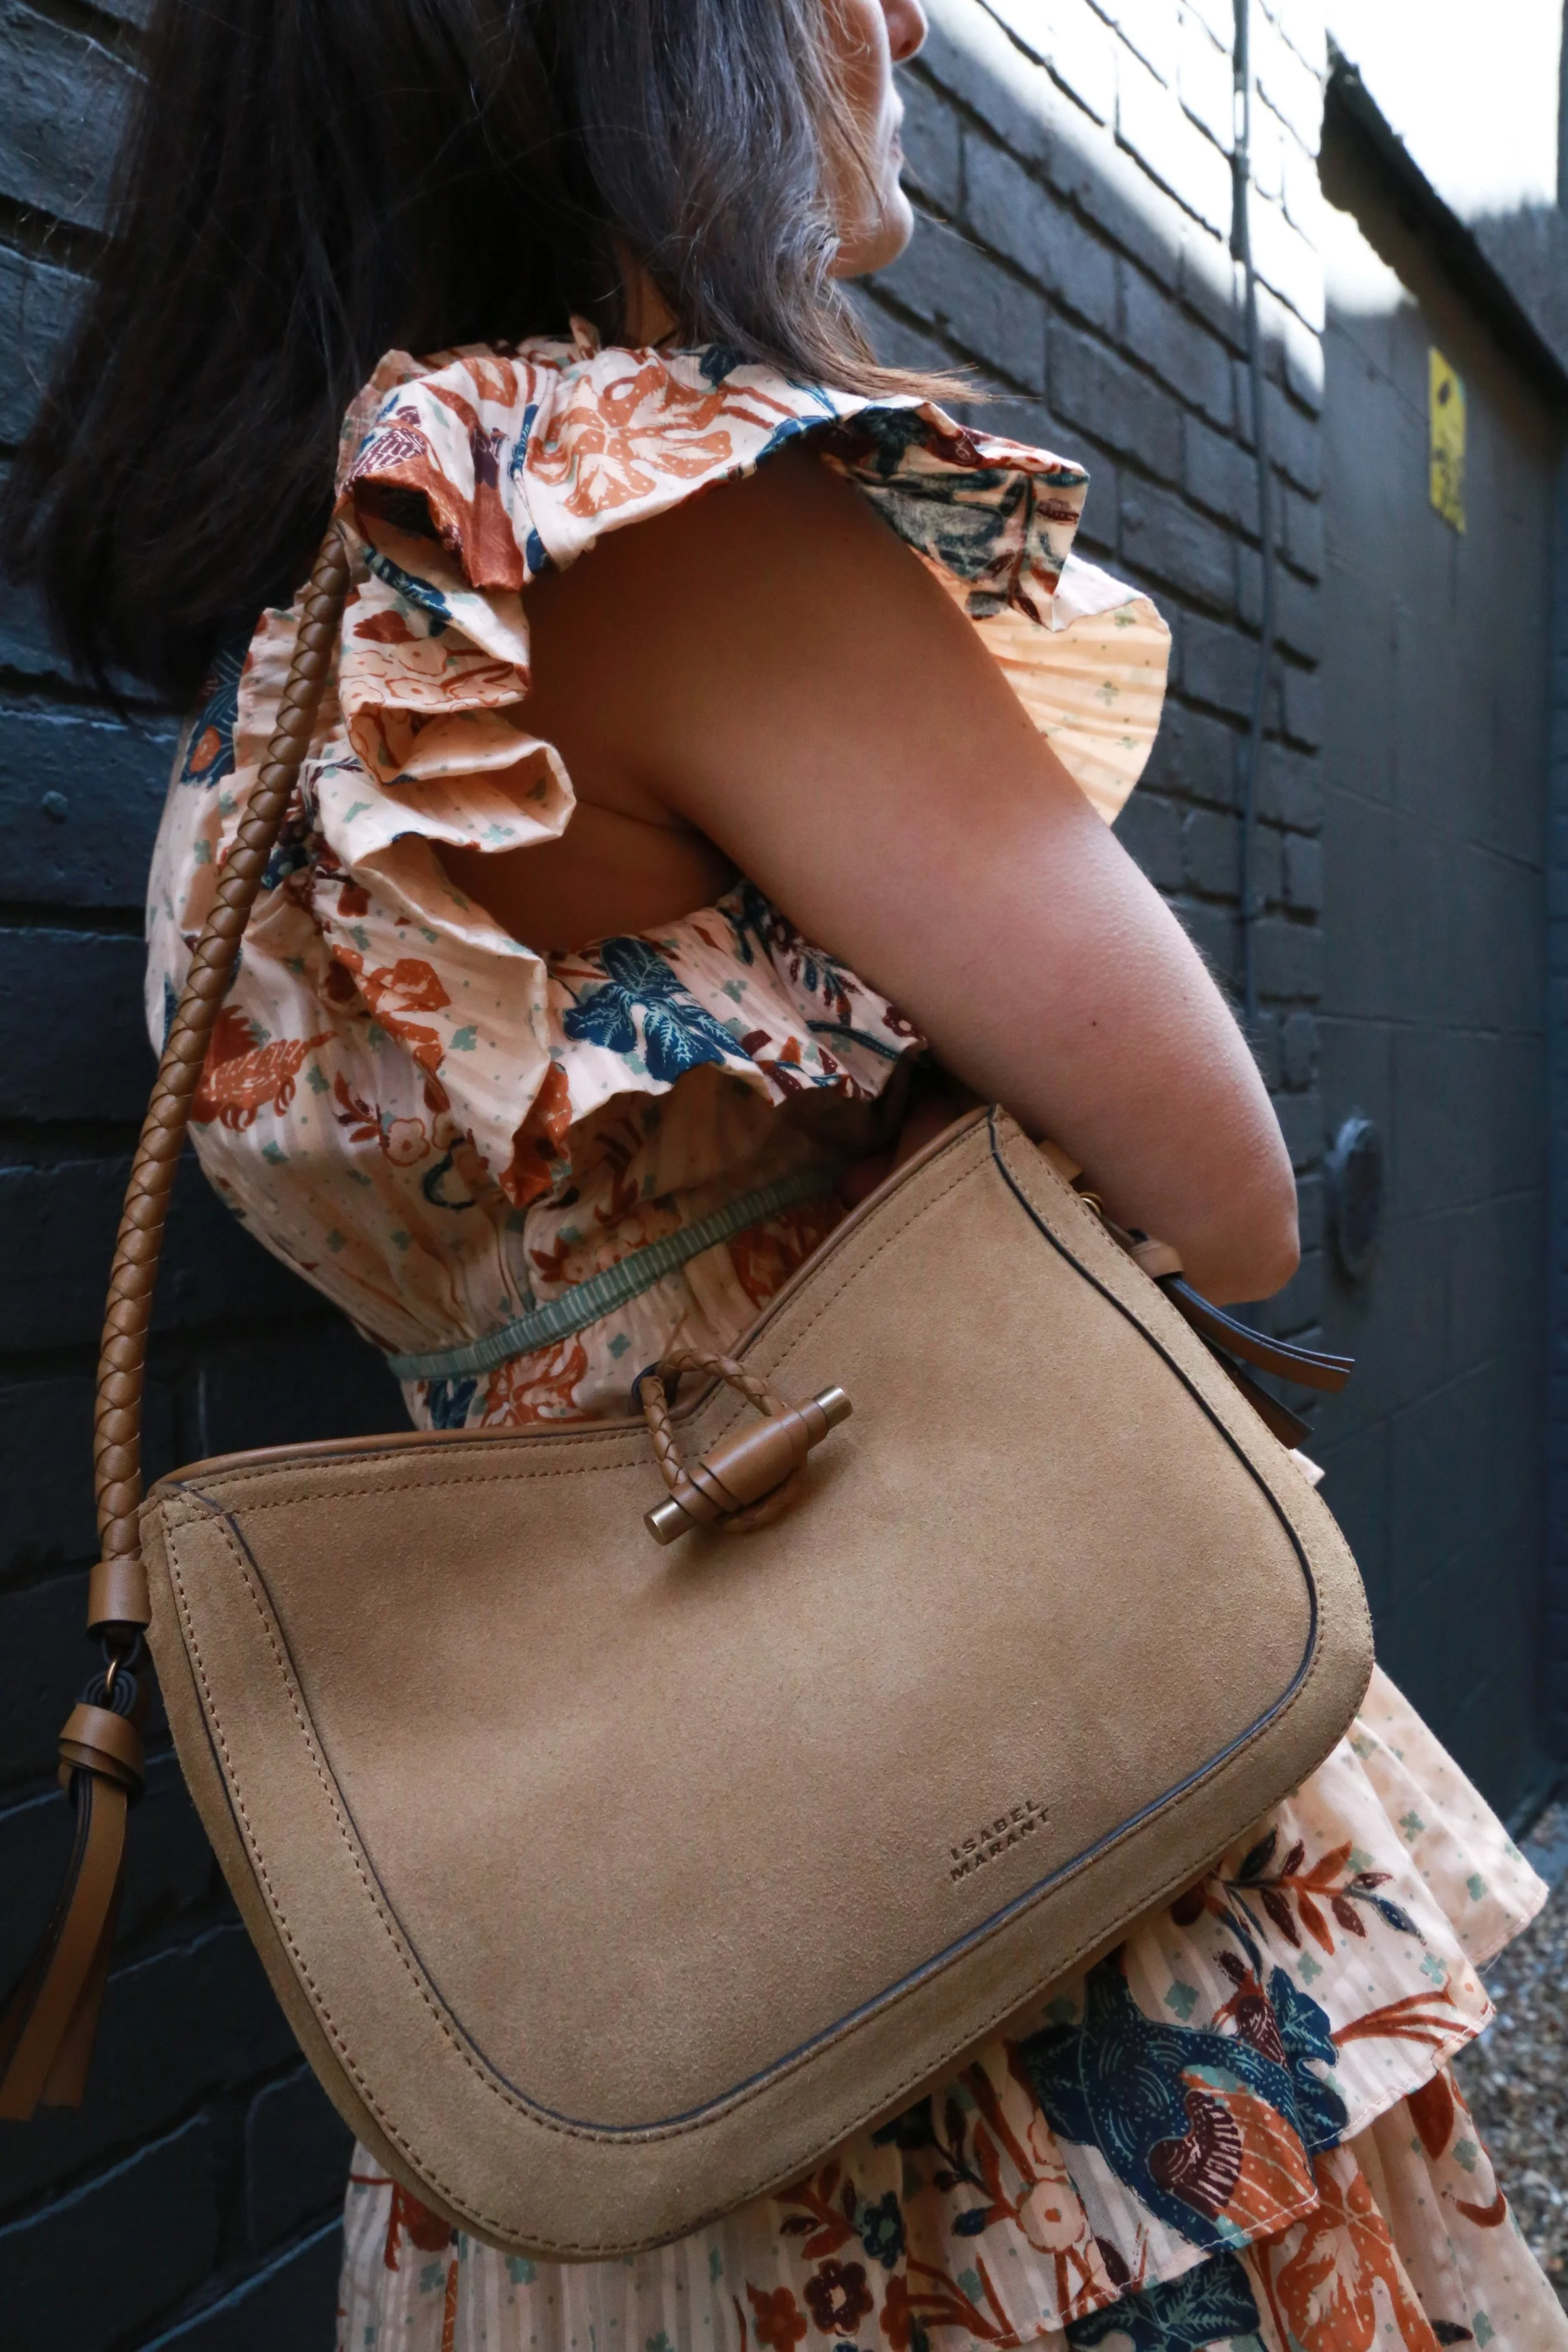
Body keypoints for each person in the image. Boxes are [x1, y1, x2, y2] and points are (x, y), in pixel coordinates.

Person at [9, 3, 1563, 2346]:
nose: (905, 12)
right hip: (991, 1899)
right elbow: (1232, 1190)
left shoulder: (298, 681)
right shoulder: (647, 510)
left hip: (623, 1963)